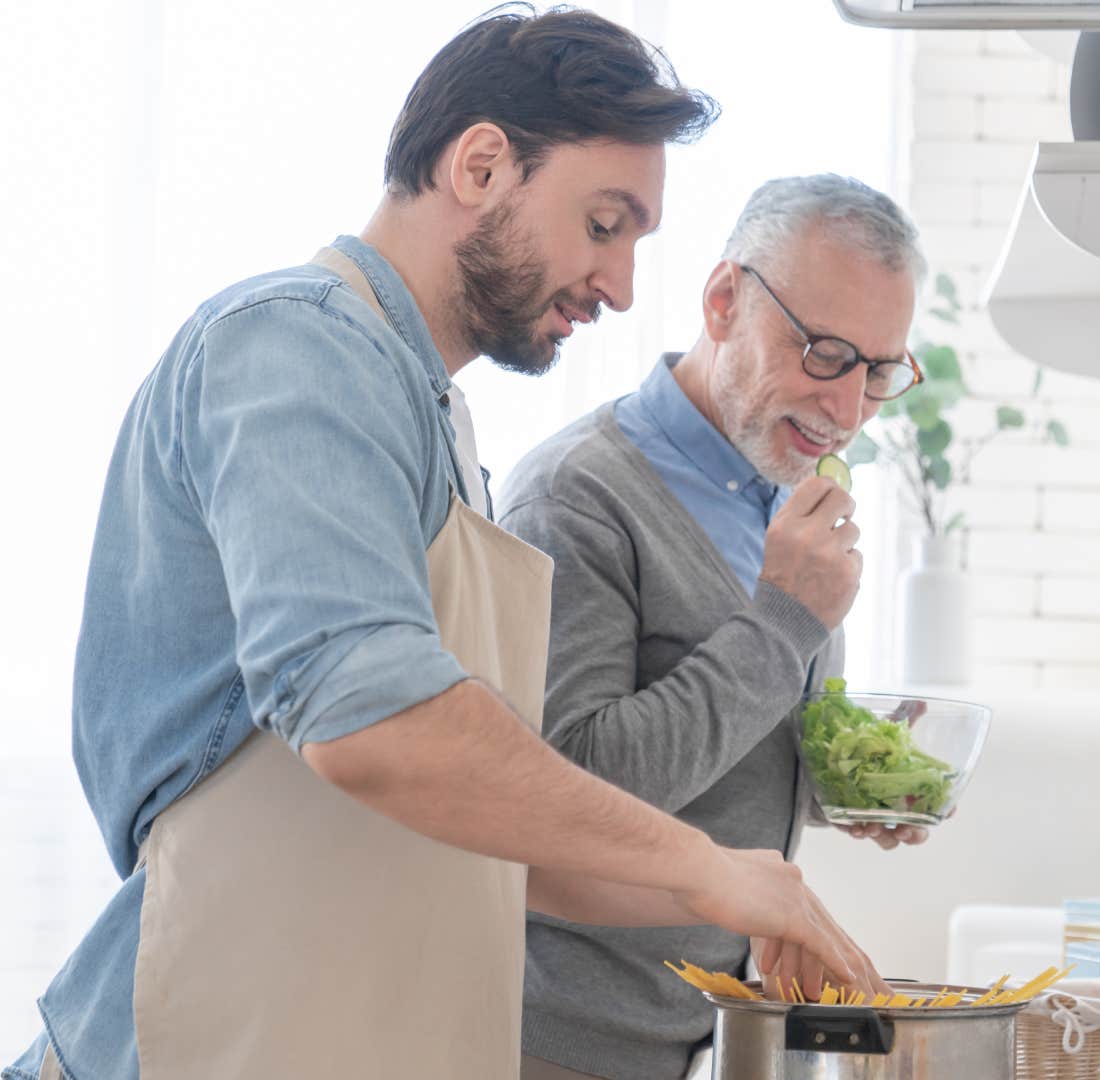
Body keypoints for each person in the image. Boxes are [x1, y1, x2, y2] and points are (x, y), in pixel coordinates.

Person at [4, 13, 881, 1080]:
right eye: (604, 224)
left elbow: (510, 843)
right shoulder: (294, 346)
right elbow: (373, 721)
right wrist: (703, 865)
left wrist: (746, 894)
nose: (620, 285)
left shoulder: (432, 418)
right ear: (480, 164)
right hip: (208, 1039)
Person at [499, 175, 927, 1080]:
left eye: (879, 372)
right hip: (556, 1042)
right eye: (821, 352)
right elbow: (570, 791)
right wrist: (784, 621)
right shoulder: (577, 496)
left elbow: (729, 755)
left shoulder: (784, 495)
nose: (846, 412)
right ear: (725, 301)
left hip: (702, 1037)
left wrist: (852, 782)